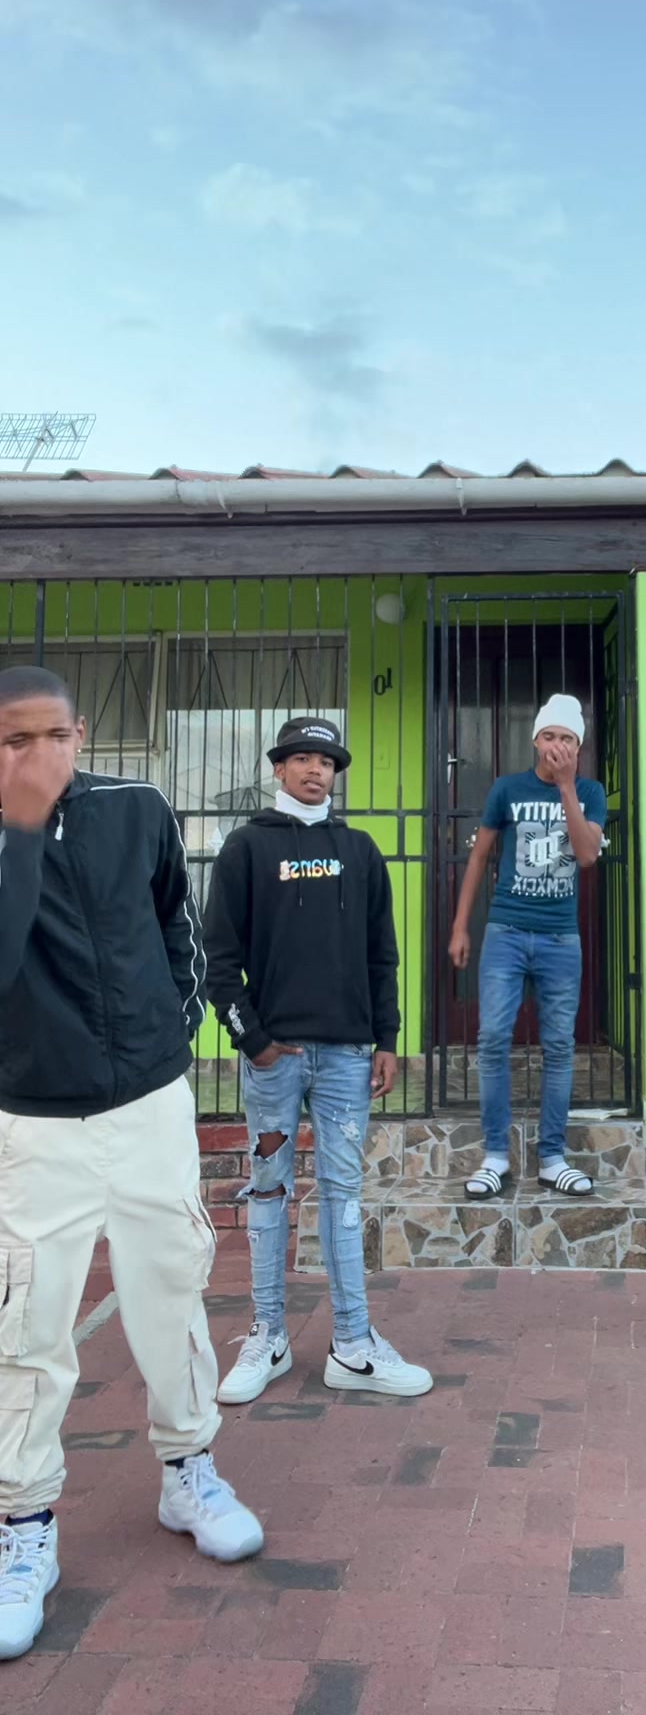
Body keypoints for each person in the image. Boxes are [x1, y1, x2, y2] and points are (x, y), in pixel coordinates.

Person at [0, 667, 262, 1665]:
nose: (39, 756)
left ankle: (188, 1470)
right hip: (35, 1122)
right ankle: (25, 1526)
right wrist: (22, 831)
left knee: (171, 1292)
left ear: (82, 733)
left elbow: (175, 929)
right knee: (29, 1324)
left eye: (53, 735)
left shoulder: (137, 807)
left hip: (150, 1103)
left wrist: (171, 1039)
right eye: (14, 740)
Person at [203, 717, 432, 1404]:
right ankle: (267, 1337)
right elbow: (219, 958)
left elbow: (382, 955)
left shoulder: (359, 851)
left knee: (342, 1196)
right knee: (268, 1190)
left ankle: (353, 1346)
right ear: (278, 768)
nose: (314, 770)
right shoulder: (246, 847)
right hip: (274, 1058)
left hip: (346, 1058)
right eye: (302, 758)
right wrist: (252, 1040)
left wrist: (386, 1038)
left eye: (326, 761)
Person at [449, 695, 607, 1199]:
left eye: (568, 738)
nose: (558, 745)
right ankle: (495, 1155)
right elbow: (479, 857)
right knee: (493, 1038)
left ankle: (552, 1158)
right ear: (536, 740)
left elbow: (586, 856)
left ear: (578, 746)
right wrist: (461, 926)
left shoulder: (590, 792)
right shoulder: (507, 788)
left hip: (561, 937)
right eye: (550, 735)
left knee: (559, 1046)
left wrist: (567, 788)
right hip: (507, 932)